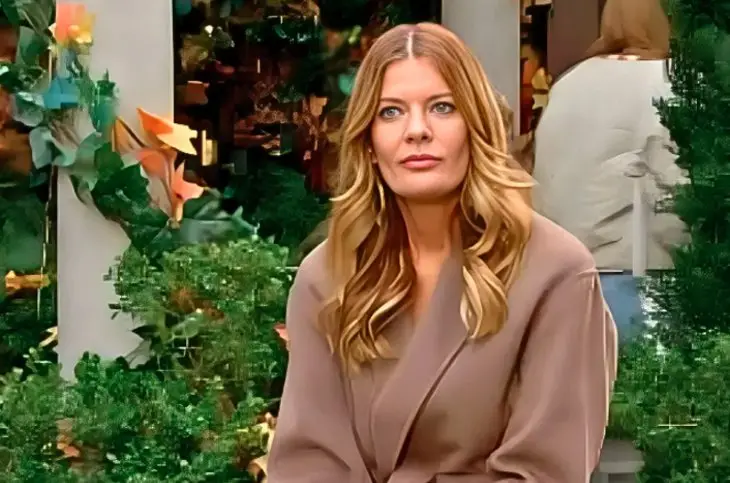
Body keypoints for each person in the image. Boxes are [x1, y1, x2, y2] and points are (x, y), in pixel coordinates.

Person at [268, 22, 617, 483]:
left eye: (442, 107)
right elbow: (307, 463)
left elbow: (544, 471)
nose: (417, 131)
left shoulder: (557, 273)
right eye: (391, 112)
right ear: (368, 142)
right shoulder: (326, 276)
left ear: (476, 128)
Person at [531, 0, 687, 342]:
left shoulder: (568, 83)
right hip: (642, 278)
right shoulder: (668, 81)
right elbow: (682, 194)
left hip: (566, 280)